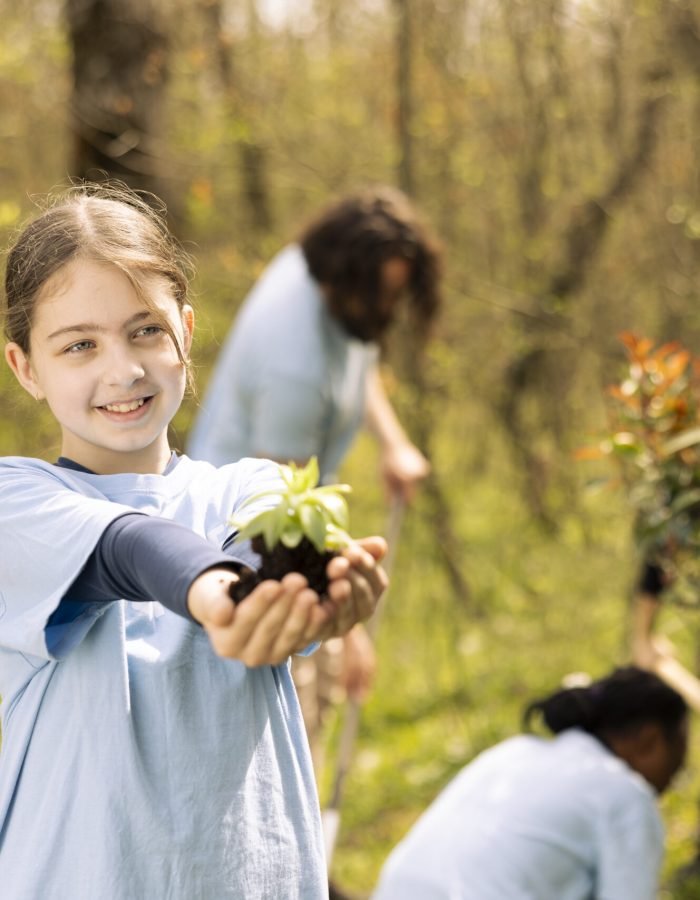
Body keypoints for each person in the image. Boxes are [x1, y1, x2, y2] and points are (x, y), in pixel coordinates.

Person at [0, 183, 388, 900]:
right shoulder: (15, 500)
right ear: (26, 368)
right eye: (79, 345)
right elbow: (130, 548)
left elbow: (268, 544)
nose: (123, 369)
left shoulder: (249, 484)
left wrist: (321, 595)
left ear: (185, 330)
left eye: (145, 330)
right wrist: (223, 599)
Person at [186, 186, 442, 774]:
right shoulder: (293, 365)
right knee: (287, 723)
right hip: (243, 549)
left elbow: (359, 351)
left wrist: (393, 443)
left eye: (398, 293)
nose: (391, 308)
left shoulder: (315, 272)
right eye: (384, 294)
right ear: (347, 279)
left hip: (288, 516)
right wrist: (347, 630)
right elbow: (282, 524)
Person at [372, 666, 689, 900]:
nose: (678, 773)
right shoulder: (626, 795)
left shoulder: (515, 751)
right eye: (679, 753)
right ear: (650, 740)